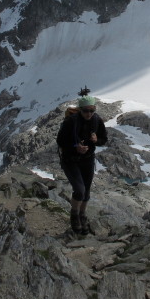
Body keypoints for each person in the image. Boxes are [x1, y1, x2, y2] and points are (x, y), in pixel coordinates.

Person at [56, 91, 108, 234]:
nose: (89, 114)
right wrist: (75, 147)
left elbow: (104, 139)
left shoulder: (97, 120)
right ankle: (74, 216)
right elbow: (60, 141)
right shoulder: (71, 122)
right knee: (80, 189)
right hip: (70, 160)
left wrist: (97, 141)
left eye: (92, 110)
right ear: (80, 110)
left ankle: (82, 215)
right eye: (86, 111)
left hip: (87, 159)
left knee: (86, 190)